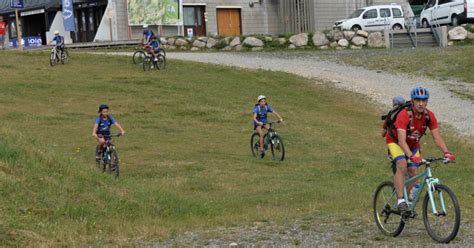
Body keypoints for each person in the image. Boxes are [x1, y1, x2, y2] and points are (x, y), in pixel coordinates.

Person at [384, 87, 455, 214]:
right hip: (395, 142)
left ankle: (407, 199)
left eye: (424, 100)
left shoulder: (429, 116)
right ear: (412, 101)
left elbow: (437, 137)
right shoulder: (404, 115)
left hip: (412, 144)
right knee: (402, 165)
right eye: (418, 100)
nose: (421, 103)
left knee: (414, 171)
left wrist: (446, 152)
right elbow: (401, 140)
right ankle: (400, 201)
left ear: (427, 101)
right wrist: (411, 156)